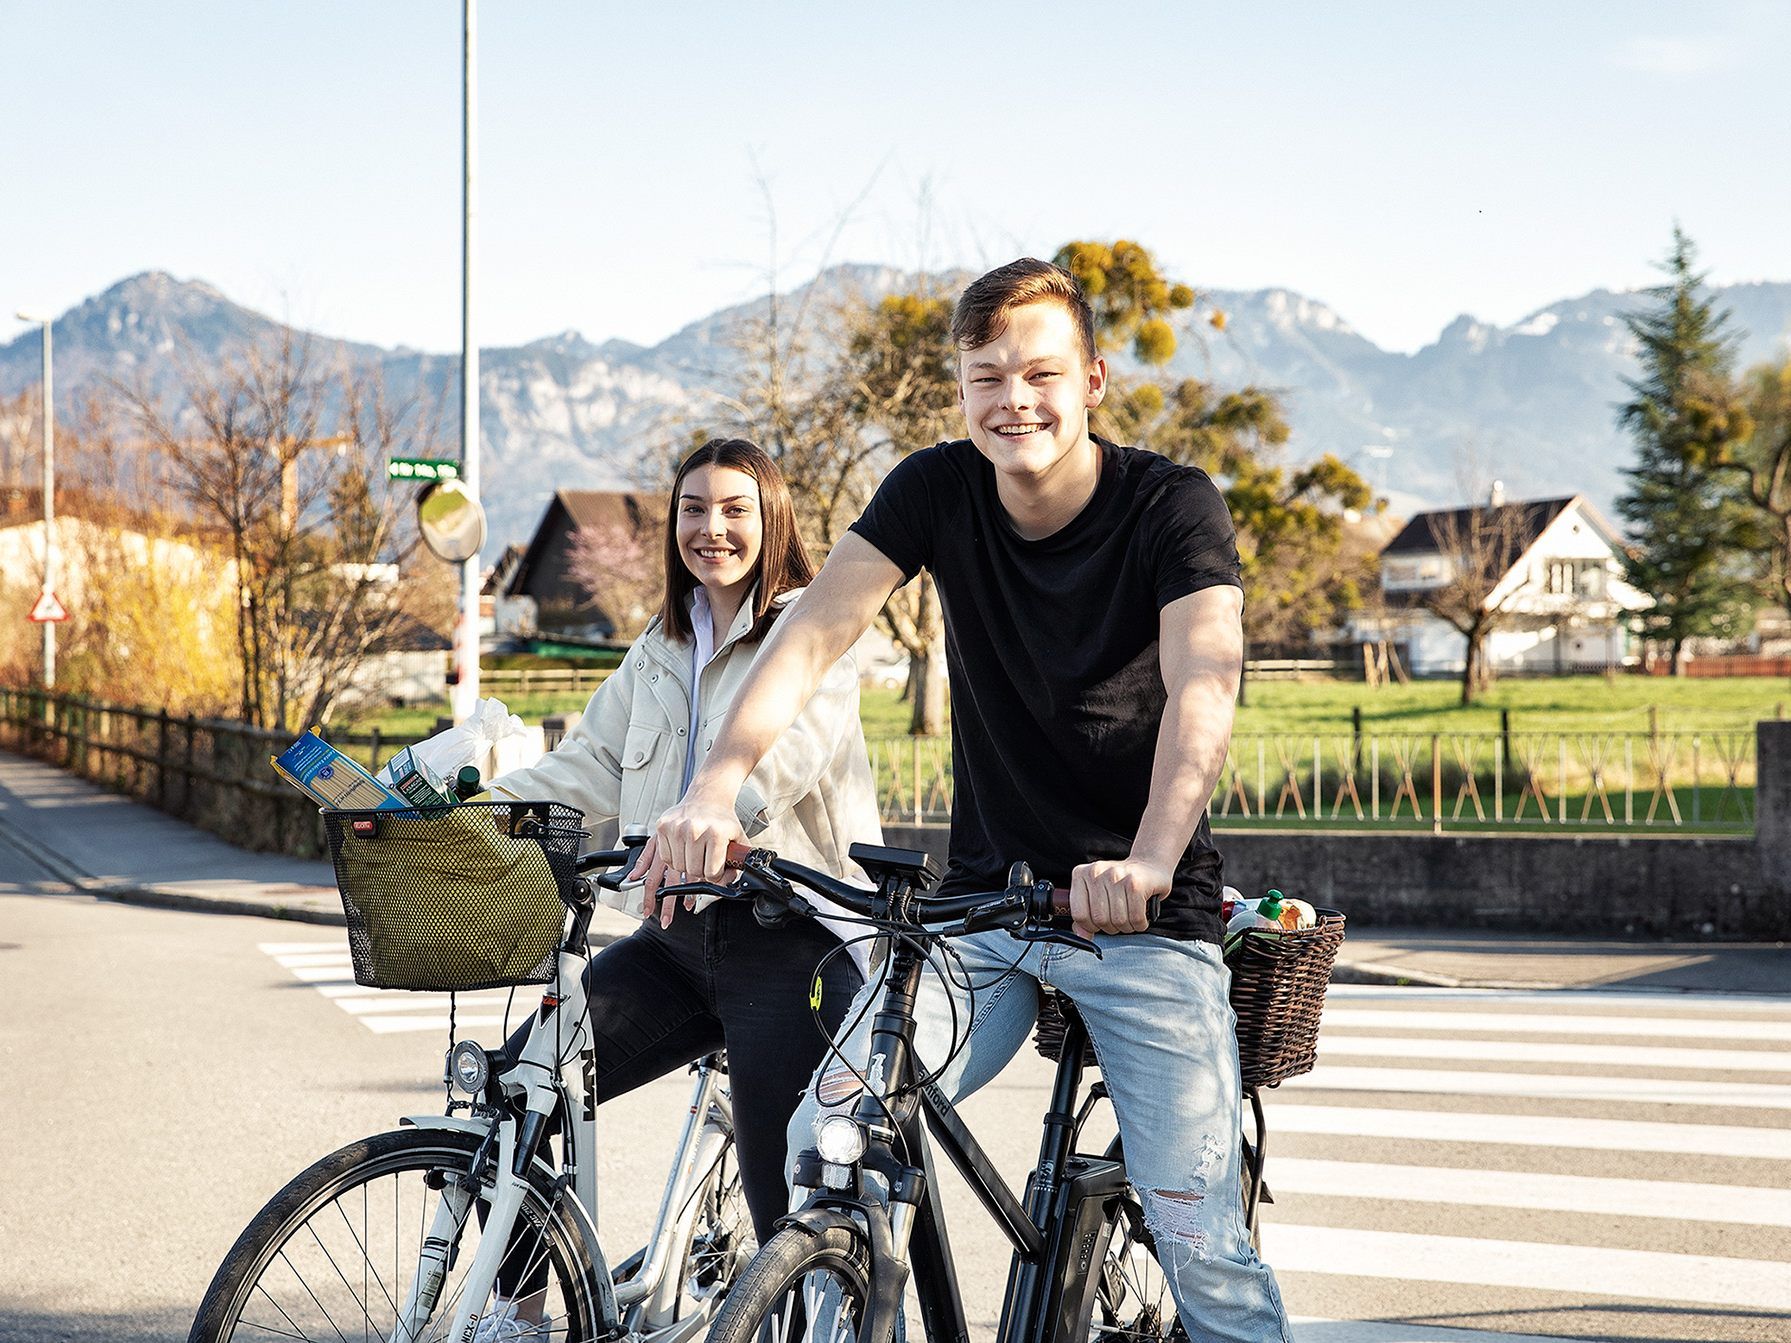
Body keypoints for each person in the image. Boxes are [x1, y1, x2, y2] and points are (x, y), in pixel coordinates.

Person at [648, 261, 1293, 1340]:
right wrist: (716, 782)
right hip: (986, 912)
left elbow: (1205, 684)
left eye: (1041, 371)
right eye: (987, 376)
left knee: (1200, 1242)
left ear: (1092, 378)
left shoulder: (1171, 504)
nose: (1015, 399)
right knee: (831, 1133)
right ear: (961, 390)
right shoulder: (937, 489)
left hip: (1140, 914)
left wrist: (1148, 859)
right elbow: (811, 633)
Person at [480, 437, 880, 1339]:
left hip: (790, 945)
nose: (712, 528)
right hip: (675, 940)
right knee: (521, 1088)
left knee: (787, 1200)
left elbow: (780, 763)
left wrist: (710, 813)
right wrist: (463, 809)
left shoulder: (811, 631)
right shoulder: (659, 647)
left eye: (736, 508)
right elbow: (583, 766)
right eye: (693, 508)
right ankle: (523, 1316)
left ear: (772, 521)